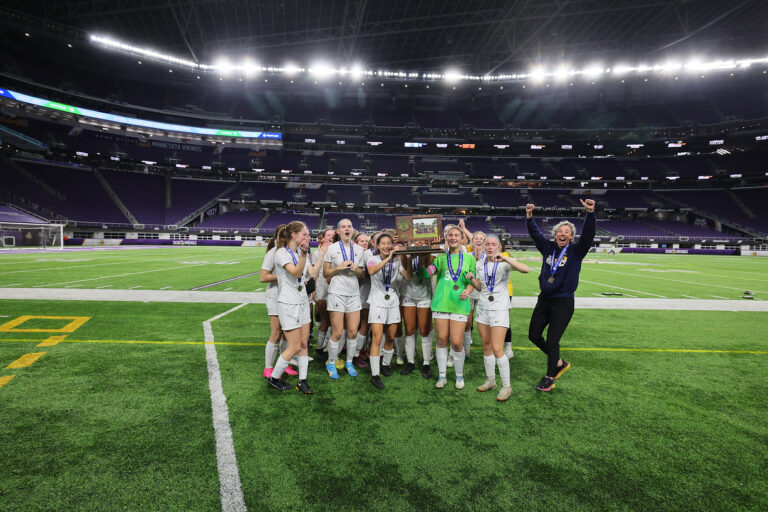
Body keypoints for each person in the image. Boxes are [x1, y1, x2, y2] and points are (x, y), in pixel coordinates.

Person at [526, 199, 596, 392]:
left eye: (567, 232)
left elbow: (589, 235)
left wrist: (590, 214)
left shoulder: (576, 251)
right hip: (544, 299)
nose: (562, 234)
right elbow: (535, 234)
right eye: (560, 231)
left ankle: (549, 376)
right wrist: (530, 217)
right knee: (533, 335)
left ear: (571, 237)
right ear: (555, 234)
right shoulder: (548, 247)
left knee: (552, 340)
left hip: (563, 302)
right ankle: (559, 362)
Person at [268, 221, 329, 393]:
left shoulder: (300, 253)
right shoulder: (281, 253)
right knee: (294, 346)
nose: (308, 237)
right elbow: (295, 272)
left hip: (302, 302)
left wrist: (322, 254)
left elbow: (313, 273)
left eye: (309, 235)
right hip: (288, 304)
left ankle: (302, 380)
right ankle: (274, 378)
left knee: (303, 343)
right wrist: (303, 255)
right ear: (294, 235)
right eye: (305, 234)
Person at [467, 235, 529, 401]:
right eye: (487, 244)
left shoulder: (504, 263)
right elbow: (480, 287)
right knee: (486, 347)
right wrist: (472, 280)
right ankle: (491, 381)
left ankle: (507, 387)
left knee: (497, 348)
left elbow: (525, 269)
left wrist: (507, 260)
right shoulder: (479, 264)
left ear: (499, 246)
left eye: (493, 244)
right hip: (483, 308)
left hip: (499, 309)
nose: (489, 247)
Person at [425, 225, 476, 389]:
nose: (453, 238)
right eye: (450, 235)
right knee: (440, 340)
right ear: (447, 238)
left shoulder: (469, 259)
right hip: (441, 303)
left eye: (456, 235)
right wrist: (422, 253)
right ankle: (442, 376)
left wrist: (467, 292)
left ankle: (459, 376)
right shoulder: (440, 258)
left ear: (462, 239)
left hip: (459, 304)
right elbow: (427, 273)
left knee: (456, 343)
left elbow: (471, 283)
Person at [323, 218, 366, 379]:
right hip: (337, 293)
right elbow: (325, 273)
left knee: (353, 332)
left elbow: (361, 274)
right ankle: (331, 362)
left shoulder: (359, 250)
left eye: (349, 226)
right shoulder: (332, 248)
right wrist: (338, 267)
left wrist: (357, 270)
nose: (347, 229)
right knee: (338, 332)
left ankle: (349, 362)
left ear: (352, 230)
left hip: (354, 294)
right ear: (338, 231)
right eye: (343, 226)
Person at [366, 233, 411, 388]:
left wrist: (406, 257)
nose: (386, 246)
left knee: (391, 336)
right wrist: (388, 258)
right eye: (383, 243)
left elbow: (408, 276)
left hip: (392, 301)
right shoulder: (372, 258)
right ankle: (375, 374)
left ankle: (385, 363)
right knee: (377, 338)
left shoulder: (397, 261)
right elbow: (371, 271)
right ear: (377, 246)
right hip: (377, 301)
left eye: (389, 243)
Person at [259, 224, 297, 378]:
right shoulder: (273, 253)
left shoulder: (292, 253)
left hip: (288, 296)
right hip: (275, 296)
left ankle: (284, 364)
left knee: (286, 333)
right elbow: (263, 277)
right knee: (276, 332)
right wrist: (283, 276)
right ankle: (268, 368)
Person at [401, 247, 435, 378]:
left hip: (424, 296)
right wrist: (410, 258)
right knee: (409, 330)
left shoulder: (431, 256)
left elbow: (425, 273)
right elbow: (408, 276)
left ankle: (426, 363)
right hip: (408, 295)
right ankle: (410, 362)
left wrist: (421, 257)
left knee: (424, 330)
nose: (418, 243)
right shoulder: (404, 255)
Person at [313, 228, 335, 362]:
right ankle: (320, 347)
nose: (330, 237)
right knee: (325, 321)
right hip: (323, 289)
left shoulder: (339, 250)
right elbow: (315, 273)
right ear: (323, 238)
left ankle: (329, 347)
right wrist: (315, 291)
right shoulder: (317, 253)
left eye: (333, 235)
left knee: (335, 323)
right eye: (328, 235)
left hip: (336, 289)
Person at [354, 232, 372, 368]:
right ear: (355, 243)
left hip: (370, 293)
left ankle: (362, 351)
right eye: (361, 241)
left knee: (367, 327)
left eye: (366, 241)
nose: (364, 243)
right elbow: (361, 277)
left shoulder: (369, 254)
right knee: (363, 326)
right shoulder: (357, 255)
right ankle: (356, 354)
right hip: (362, 293)